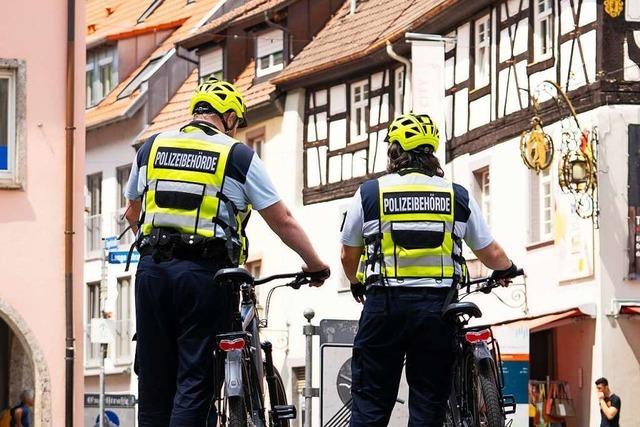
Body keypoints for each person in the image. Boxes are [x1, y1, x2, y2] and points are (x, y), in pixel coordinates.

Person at [124, 77, 330, 427]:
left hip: (152, 273)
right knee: (195, 381)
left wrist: (157, 251)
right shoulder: (236, 155)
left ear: (196, 113)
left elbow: (132, 213)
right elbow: (282, 220)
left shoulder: (151, 147)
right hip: (205, 277)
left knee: (155, 383)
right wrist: (315, 265)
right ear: (230, 118)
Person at [340, 113, 518, 426]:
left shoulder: (370, 193)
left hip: (385, 306)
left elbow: (347, 253)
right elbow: (490, 252)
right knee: (428, 404)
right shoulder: (456, 195)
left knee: (371, 403)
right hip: (438, 309)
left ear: (394, 151)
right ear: (431, 152)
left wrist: (357, 281)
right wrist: (508, 269)